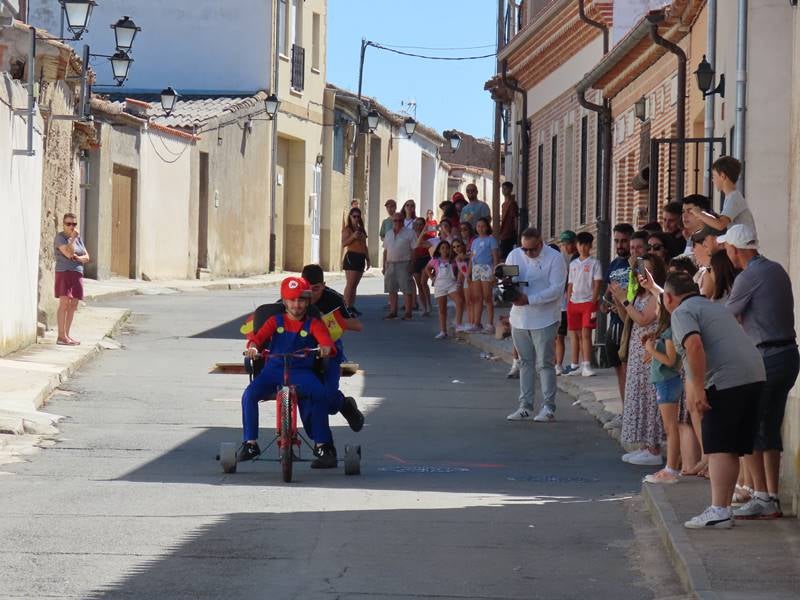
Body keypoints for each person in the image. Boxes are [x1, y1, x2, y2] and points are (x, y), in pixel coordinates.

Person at [645, 270, 765, 529]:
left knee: (719, 446)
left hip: (725, 380)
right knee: (731, 447)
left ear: (668, 298)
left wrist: (698, 388)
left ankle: (719, 510)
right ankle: (723, 508)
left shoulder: (681, 313)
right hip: (754, 376)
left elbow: (694, 345)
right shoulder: (712, 307)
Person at [240, 277, 363, 469]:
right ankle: (250, 443)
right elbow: (257, 339)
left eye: (301, 300)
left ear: (307, 301)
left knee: (320, 395)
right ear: (284, 301)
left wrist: (325, 348)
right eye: (291, 300)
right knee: (249, 395)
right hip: (273, 371)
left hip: (301, 372)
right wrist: (254, 348)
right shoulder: (275, 321)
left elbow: (326, 341)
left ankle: (323, 445)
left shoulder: (313, 323)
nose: (296, 305)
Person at [722, 225, 799, 519]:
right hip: (787, 355)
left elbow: (727, 318)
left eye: (727, 248)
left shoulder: (748, 277)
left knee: (752, 427)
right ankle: (770, 496)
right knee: (769, 427)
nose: (726, 253)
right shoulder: (775, 269)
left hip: (767, 356)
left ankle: (762, 496)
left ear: (736, 250)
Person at [504, 228, 567, 422]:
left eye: (532, 249)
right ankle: (525, 406)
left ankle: (548, 407)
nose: (528, 253)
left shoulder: (555, 258)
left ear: (541, 243)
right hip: (519, 318)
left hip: (545, 318)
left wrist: (529, 299)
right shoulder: (515, 255)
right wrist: (506, 286)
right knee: (524, 362)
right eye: (525, 249)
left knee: (545, 363)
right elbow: (506, 282)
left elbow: (556, 290)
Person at [609, 254, 667, 466]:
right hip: (635, 350)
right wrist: (618, 297)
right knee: (639, 395)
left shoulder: (655, 295)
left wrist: (625, 299)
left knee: (650, 398)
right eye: (640, 270)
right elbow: (629, 319)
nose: (642, 274)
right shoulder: (638, 294)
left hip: (649, 351)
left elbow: (644, 319)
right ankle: (644, 446)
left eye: (647, 270)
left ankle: (653, 448)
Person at [642, 299, 683, 484]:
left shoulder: (668, 332)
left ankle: (672, 469)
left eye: (658, 307)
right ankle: (673, 466)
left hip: (667, 381)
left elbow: (670, 361)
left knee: (671, 428)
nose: (656, 310)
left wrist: (651, 349)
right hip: (664, 381)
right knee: (670, 427)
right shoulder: (664, 332)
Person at [601, 223, 634, 406]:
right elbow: (605, 296)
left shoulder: (636, 265)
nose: (620, 245)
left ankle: (631, 412)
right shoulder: (613, 265)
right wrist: (606, 304)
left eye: (624, 241)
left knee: (629, 370)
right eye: (617, 241)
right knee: (619, 371)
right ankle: (624, 410)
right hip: (614, 324)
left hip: (631, 322)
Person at [565, 232, 603, 377]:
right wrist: (569, 300)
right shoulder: (573, 264)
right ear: (577, 245)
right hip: (574, 302)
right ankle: (576, 364)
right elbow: (570, 283)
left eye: (586, 245)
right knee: (576, 334)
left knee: (586, 334)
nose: (583, 248)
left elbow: (598, 283)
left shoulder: (595, 263)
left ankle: (587, 364)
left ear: (591, 246)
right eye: (581, 244)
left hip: (588, 302)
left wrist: (593, 301)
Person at [691, 156, 756, 235]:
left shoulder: (734, 197)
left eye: (714, 176)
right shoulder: (732, 196)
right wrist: (704, 214)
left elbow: (720, 224)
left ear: (722, 176)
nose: (712, 180)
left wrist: (699, 214)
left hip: (744, 246)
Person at [54, 212, 90, 346]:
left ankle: (67, 336)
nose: (71, 226)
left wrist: (79, 258)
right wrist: (73, 240)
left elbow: (87, 257)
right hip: (64, 272)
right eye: (68, 224)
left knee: (73, 304)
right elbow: (69, 254)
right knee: (64, 303)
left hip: (77, 273)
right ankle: (61, 336)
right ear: (63, 224)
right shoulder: (60, 238)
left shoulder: (78, 238)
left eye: (74, 224)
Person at [425, 240, 464, 339]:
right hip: (440, 285)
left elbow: (460, 270)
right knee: (442, 309)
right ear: (439, 250)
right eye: (442, 248)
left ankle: (458, 324)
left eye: (447, 248)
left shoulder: (454, 260)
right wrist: (432, 278)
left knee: (459, 301)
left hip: (451, 284)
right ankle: (443, 331)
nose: (445, 250)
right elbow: (427, 268)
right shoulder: (435, 260)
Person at [468, 217, 499, 334]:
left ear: (487, 227)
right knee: (477, 297)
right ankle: (477, 323)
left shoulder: (491, 240)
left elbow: (495, 257)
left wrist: (495, 272)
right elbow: (472, 258)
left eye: (483, 226)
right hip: (476, 269)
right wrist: (468, 273)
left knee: (487, 297)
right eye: (478, 226)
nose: (480, 228)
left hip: (487, 268)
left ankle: (490, 324)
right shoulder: (474, 242)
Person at [382, 213, 416, 320]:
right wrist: (384, 265)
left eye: (400, 220)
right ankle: (393, 311)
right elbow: (385, 250)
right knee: (391, 289)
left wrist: (412, 264)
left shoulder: (410, 233)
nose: (397, 223)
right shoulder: (388, 234)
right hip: (390, 263)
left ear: (403, 221)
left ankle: (408, 312)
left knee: (406, 289)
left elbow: (414, 250)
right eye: (395, 221)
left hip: (404, 263)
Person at [341, 207, 369, 314]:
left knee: (355, 285)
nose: (356, 218)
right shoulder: (347, 230)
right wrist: (353, 236)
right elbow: (344, 243)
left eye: (358, 216)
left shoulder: (361, 229)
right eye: (354, 216)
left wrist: (368, 258)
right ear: (350, 217)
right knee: (350, 284)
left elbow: (364, 246)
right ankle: (345, 307)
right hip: (352, 257)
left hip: (361, 257)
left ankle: (351, 305)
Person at [411, 217, 433, 316]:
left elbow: (430, 247)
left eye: (421, 224)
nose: (419, 226)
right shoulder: (411, 236)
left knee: (423, 282)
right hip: (416, 260)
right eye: (417, 224)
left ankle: (429, 304)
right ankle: (423, 307)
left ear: (424, 226)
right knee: (418, 284)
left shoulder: (428, 236)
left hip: (426, 259)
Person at [452, 239, 471, 332]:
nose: (456, 249)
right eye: (454, 247)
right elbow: (461, 271)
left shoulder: (464, 256)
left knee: (468, 302)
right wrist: (459, 282)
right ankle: (461, 323)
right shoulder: (459, 257)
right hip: (465, 280)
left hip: (469, 280)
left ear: (463, 245)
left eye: (458, 246)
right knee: (464, 302)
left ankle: (461, 322)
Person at [498, 181, 519, 259]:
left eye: (506, 188)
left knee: (507, 254)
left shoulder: (512, 204)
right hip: (503, 233)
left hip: (509, 233)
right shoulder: (503, 204)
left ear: (510, 189)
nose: (504, 190)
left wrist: (516, 231)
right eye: (503, 188)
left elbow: (515, 218)